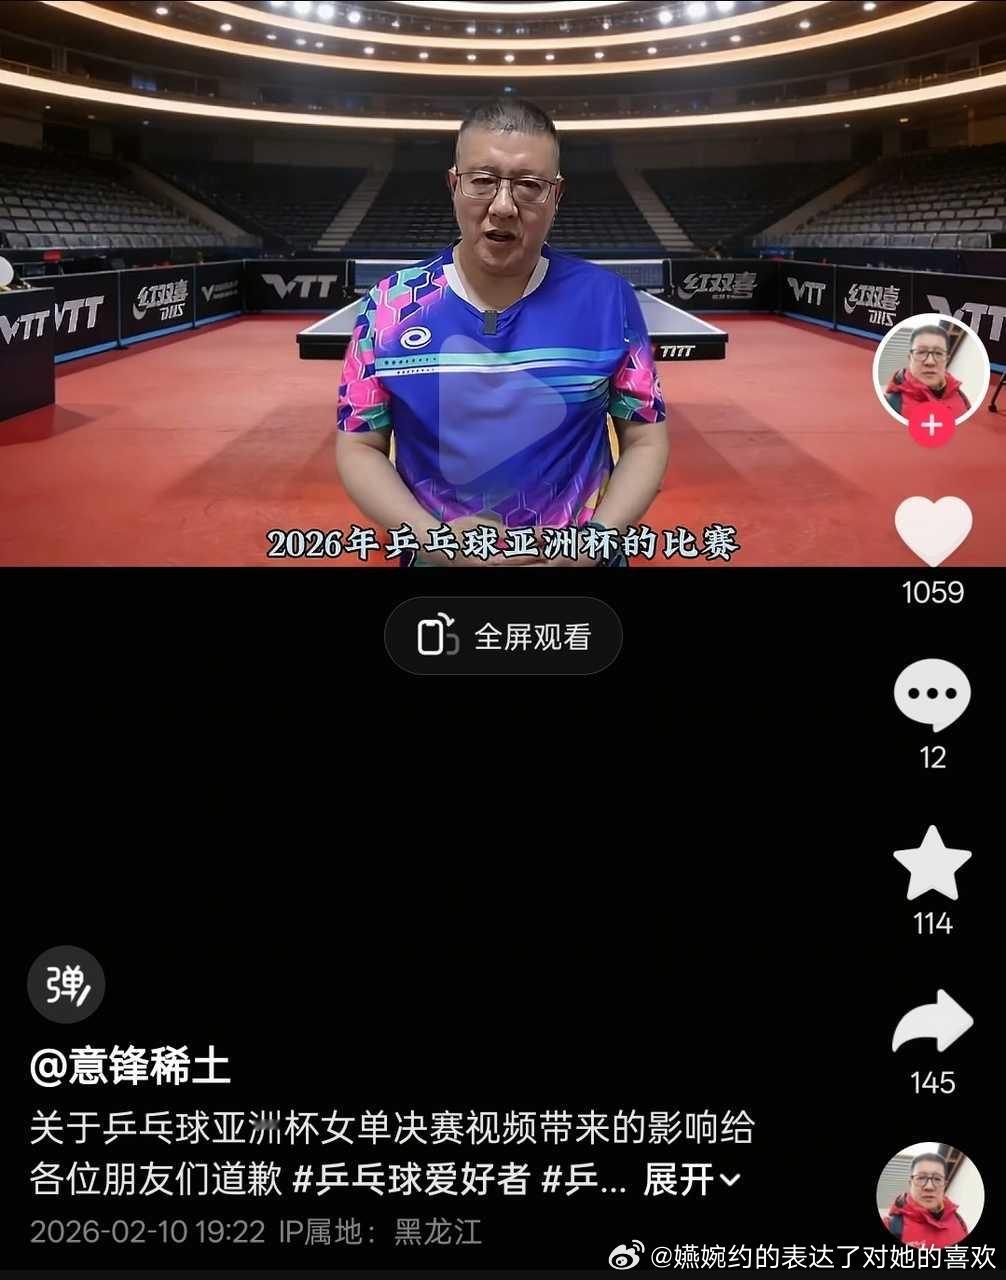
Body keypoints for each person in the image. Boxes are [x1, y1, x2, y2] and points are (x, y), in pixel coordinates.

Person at [335, 97, 668, 567]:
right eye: (482, 181)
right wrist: (435, 543)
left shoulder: (609, 300)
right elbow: (359, 446)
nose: (504, 206)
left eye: (530, 185)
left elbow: (645, 439)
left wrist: (596, 542)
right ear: (454, 185)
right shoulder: (388, 306)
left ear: (557, 196)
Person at [885, 324, 971, 421]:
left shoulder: (961, 397)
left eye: (938, 353)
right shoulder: (891, 404)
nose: (930, 362)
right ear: (910, 358)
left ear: (946, 360)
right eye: (921, 352)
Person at [882, 1152, 969, 1247]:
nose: (929, 1186)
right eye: (921, 1178)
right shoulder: (891, 1226)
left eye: (937, 1179)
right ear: (910, 1183)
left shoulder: (959, 1221)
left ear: (944, 1185)